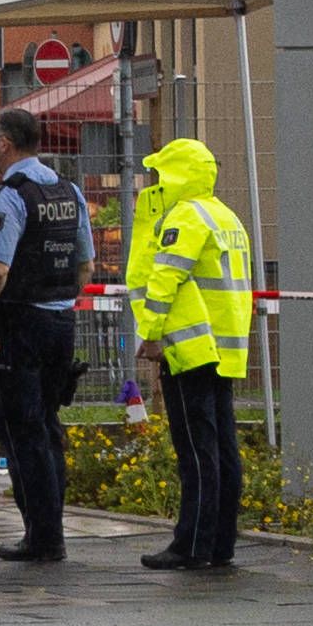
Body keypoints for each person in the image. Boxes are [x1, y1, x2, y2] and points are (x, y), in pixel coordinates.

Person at [125, 134, 257, 571]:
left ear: (176, 175)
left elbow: (165, 279)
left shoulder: (185, 216)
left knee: (196, 451)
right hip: (224, 348)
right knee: (223, 449)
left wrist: (151, 333)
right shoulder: (225, 216)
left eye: (160, 174)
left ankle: (191, 545)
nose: (154, 182)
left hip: (190, 348)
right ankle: (219, 544)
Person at [0, 111, 94, 566]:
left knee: (19, 428)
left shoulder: (10, 196)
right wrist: (59, 301)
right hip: (61, 322)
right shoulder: (69, 190)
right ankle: (50, 528)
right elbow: (85, 265)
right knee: (45, 425)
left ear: (5, 143)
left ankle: (42, 536)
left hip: (21, 322)